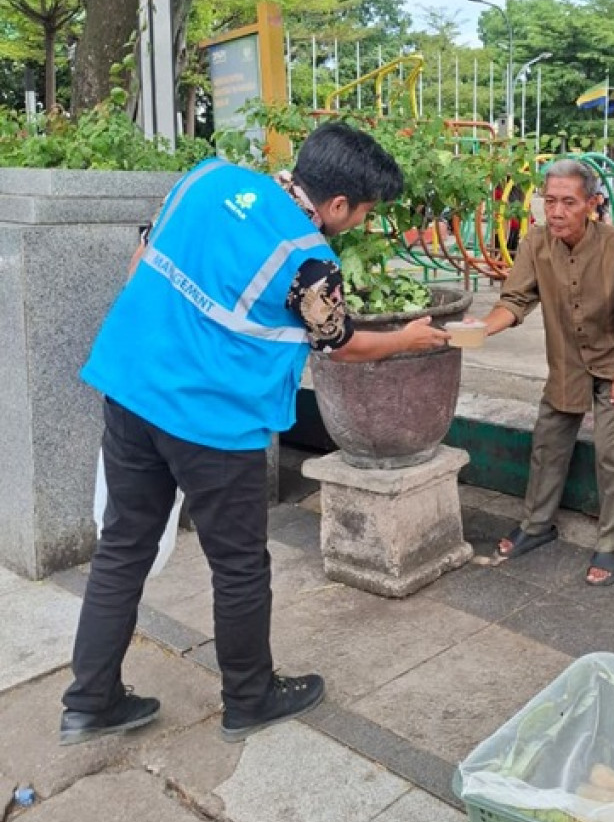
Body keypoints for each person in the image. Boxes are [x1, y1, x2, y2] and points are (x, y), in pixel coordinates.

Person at [60, 123, 449, 746]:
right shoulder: (309, 259)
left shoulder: (207, 178)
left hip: (131, 391)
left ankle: (88, 702)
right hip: (216, 423)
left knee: (122, 548)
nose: (361, 225)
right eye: (365, 213)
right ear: (339, 204)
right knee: (239, 566)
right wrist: (408, 340)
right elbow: (339, 345)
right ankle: (250, 697)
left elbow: (143, 257)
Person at [482, 159, 614, 586]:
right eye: (550, 201)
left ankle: (610, 543)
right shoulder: (535, 244)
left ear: (592, 204)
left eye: (568, 202)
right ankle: (536, 525)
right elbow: (515, 300)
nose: (557, 212)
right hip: (567, 362)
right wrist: (480, 328)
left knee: (611, 456)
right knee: (547, 443)